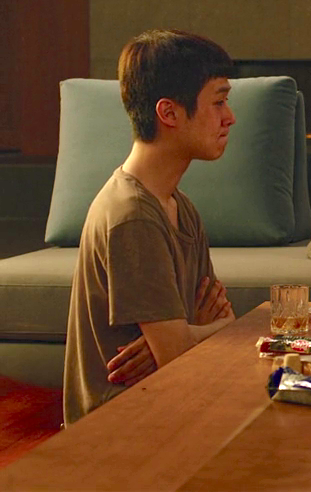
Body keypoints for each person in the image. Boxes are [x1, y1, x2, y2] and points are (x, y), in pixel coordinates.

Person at [64, 30, 238, 425]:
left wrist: (186, 334)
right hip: (124, 428)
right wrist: (214, 329)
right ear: (169, 113)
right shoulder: (133, 216)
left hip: (173, 402)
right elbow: (180, 350)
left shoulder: (179, 206)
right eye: (218, 101)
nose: (230, 117)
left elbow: (190, 337)